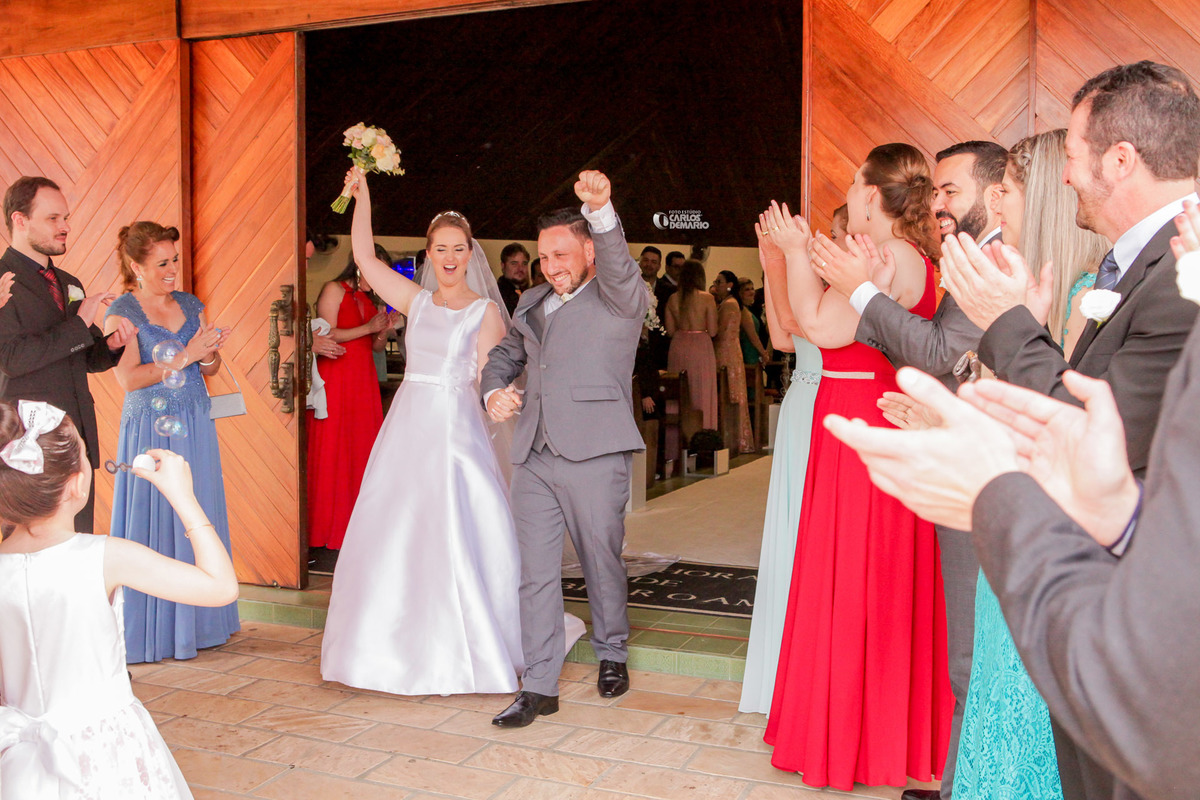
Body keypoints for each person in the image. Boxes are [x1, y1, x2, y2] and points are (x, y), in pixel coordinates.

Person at [940, 62, 1200, 800]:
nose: (1066, 175)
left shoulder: (1179, 278)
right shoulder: (1148, 263)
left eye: (1076, 155)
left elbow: (1091, 429)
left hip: (1141, 600)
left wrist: (1006, 322)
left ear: (1121, 160)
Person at [810, 138, 1008, 800]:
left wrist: (857, 290)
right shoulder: (958, 258)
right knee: (965, 642)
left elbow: (939, 353)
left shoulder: (984, 260)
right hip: (940, 433)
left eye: (951, 191)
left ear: (998, 195)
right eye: (936, 190)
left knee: (971, 646)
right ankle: (954, 780)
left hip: (976, 457)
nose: (938, 202)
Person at [763, 142, 953, 790]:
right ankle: (865, 735)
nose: (845, 194)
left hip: (867, 425)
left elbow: (817, 325)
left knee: (859, 582)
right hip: (855, 419)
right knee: (860, 581)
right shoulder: (900, 253)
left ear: (871, 195)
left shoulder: (892, 256)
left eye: (851, 183)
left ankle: (855, 742)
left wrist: (794, 251)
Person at [935, 130, 1107, 800]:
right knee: (994, 696)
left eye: (1007, 191)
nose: (997, 205)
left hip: (1046, 536)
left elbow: (1064, 429)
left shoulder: (1087, 300)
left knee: (1023, 715)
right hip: (1015, 527)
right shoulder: (1037, 293)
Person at [320, 168, 522, 697]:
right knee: (396, 529)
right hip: (407, 428)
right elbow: (365, 257)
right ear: (429, 254)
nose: (449, 257)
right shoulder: (416, 301)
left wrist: (498, 399)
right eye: (440, 249)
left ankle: (461, 643)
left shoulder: (484, 313)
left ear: (470, 253)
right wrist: (362, 196)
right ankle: (388, 643)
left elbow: (489, 377)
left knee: (452, 527)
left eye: (458, 248)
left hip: (455, 432)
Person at [0, 402, 238, 799]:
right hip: (106, 754)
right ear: (77, 485)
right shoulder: (106, 556)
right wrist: (183, 496)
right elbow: (221, 587)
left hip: (15, 754)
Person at [483, 170, 647, 727]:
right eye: (543, 257)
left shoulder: (620, 294)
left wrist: (601, 210)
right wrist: (492, 391)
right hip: (534, 452)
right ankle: (539, 685)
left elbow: (619, 262)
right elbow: (506, 357)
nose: (551, 266)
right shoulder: (530, 301)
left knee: (601, 558)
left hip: (596, 450)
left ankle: (612, 652)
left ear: (589, 251)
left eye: (561, 255)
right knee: (534, 572)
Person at [99, 222, 239, 664]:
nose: (172, 270)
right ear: (136, 266)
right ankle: (154, 631)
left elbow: (209, 369)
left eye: (174, 260)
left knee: (197, 511)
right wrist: (187, 355)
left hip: (195, 420)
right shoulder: (122, 312)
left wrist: (209, 352)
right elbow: (128, 379)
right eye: (162, 263)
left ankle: (201, 624)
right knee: (155, 518)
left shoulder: (190, 303)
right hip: (150, 427)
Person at [0, 176, 137, 533]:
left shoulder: (69, 282)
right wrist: (78, 324)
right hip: (27, 441)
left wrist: (111, 345)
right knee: (31, 548)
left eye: (66, 218)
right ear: (20, 220)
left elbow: (86, 357)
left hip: (77, 438)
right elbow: (12, 359)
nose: (65, 227)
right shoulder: (1, 282)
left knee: (79, 540)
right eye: (53, 218)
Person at [738, 222, 822, 716]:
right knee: (793, 527)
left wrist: (776, 263)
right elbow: (783, 336)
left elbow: (793, 326)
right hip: (805, 400)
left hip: (818, 402)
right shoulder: (818, 284)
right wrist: (775, 267)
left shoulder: (844, 286)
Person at [306, 249, 392, 552]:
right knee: (335, 445)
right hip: (338, 375)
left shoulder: (370, 300)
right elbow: (326, 333)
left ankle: (358, 526)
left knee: (361, 446)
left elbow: (376, 347)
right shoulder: (334, 289)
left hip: (363, 379)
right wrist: (368, 327)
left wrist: (384, 329)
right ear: (359, 266)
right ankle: (328, 527)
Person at [664, 259, 718, 442]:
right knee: (702, 390)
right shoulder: (707, 298)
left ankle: (678, 437)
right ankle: (704, 436)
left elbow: (670, 331)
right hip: (700, 346)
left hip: (679, 345)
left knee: (679, 390)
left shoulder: (673, 298)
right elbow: (713, 330)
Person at [714, 269, 754, 452]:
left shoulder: (729, 304)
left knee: (731, 392)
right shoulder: (729, 303)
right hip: (729, 350)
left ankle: (736, 438)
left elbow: (720, 330)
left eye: (719, 282)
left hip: (726, 350)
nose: (716, 285)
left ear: (730, 285)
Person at [739, 278, 769, 368]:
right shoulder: (742, 310)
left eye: (752, 288)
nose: (752, 292)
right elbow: (752, 336)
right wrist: (764, 353)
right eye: (747, 289)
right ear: (739, 293)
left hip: (753, 352)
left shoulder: (747, 309)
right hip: (748, 353)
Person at [498, 242, 531, 315]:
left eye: (524, 263)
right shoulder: (498, 294)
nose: (520, 268)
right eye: (514, 263)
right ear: (503, 266)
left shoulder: (529, 293)